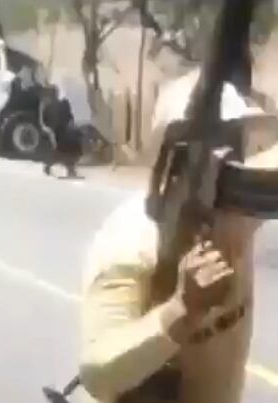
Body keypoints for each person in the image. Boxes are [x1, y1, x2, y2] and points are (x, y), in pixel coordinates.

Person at [78, 79, 265, 403]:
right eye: (216, 146)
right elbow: (97, 373)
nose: (231, 160)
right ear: (171, 161)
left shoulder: (237, 214)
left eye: (236, 142)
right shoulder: (131, 240)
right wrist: (180, 311)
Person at [40, 86, 82, 178]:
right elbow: (70, 118)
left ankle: (52, 166)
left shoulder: (54, 105)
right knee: (64, 150)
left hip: (60, 132)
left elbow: (44, 123)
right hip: (59, 132)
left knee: (64, 150)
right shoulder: (61, 105)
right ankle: (69, 169)